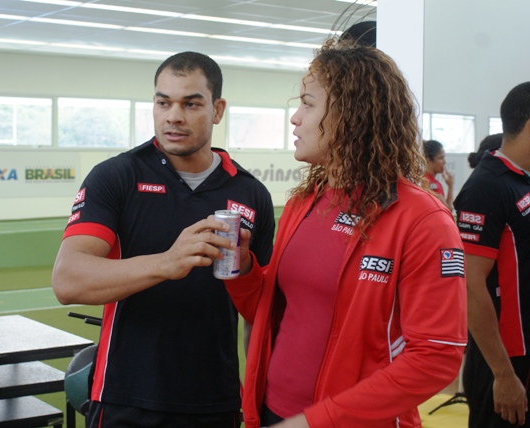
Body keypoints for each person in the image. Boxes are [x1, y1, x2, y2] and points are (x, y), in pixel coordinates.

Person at [223, 40, 467, 428]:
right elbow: (275, 313)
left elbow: (436, 357)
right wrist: (241, 268)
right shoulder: (305, 202)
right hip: (272, 412)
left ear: (350, 115)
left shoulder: (422, 219)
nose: (295, 118)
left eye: (308, 103)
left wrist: (317, 420)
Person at [52, 51, 275, 428]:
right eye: (163, 102)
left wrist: (258, 402)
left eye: (191, 104)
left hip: (216, 403)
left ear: (217, 110)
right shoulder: (116, 177)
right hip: (126, 400)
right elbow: (67, 280)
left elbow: (263, 314)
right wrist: (166, 263)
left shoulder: (251, 194)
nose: (174, 115)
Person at [454, 81, 530, 427]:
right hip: (503, 364)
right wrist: (503, 374)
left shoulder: (521, 180)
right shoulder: (487, 186)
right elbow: (470, 285)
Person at [423, 139, 454, 210]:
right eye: (441, 158)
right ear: (429, 160)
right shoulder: (426, 182)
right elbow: (448, 210)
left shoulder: (435, 182)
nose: (444, 162)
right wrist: (451, 186)